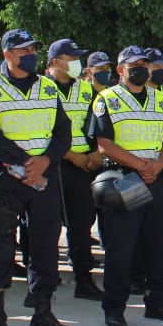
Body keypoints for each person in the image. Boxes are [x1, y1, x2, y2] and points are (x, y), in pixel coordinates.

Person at [0, 29, 75, 326]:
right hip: (5, 177)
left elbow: (63, 133)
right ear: (7, 55)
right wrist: (23, 161)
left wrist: (43, 161)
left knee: (45, 245)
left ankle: (42, 313)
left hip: (43, 177)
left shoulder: (48, 87)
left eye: (33, 48)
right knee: (0, 247)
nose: (29, 54)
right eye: (22, 50)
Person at [90, 46, 163, 326]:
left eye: (145, 63)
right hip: (124, 178)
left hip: (156, 176)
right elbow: (104, 143)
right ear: (120, 70)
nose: (142, 68)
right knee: (122, 247)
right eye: (134, 64)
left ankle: (157, 303)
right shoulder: (107, 99)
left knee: (158, 244)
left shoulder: (160, 98)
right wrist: (139, 165)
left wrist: (156, 166)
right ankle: (114, 307)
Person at [46, 38, 104, 301]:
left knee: (81, 225)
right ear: (56, 62)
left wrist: (94, 154)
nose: (77, 64)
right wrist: (69, 155)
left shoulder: (84, 90)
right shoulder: (42, 89)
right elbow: (40, 132)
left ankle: (84, 279)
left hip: (82, 166)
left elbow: (94, 127)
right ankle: (45, 281)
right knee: (46, 225)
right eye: (72, 59)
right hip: (52, 164)